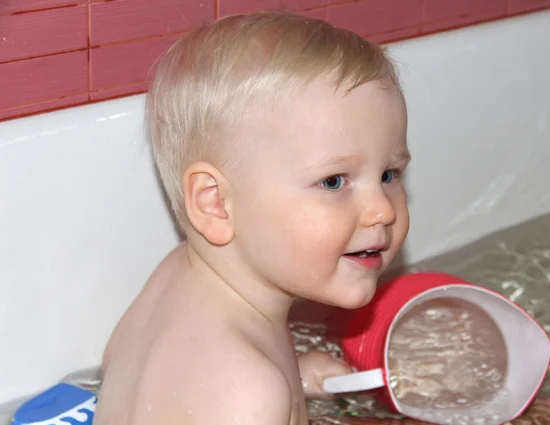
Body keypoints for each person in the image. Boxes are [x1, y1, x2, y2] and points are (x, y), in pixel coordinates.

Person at [93, 11, 410, 425]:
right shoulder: (250, 395)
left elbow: (137, 373)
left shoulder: (175, 278)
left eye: (389, 175)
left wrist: (295, 371)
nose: (383, 209)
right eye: (333, 181)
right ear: (215, 203)